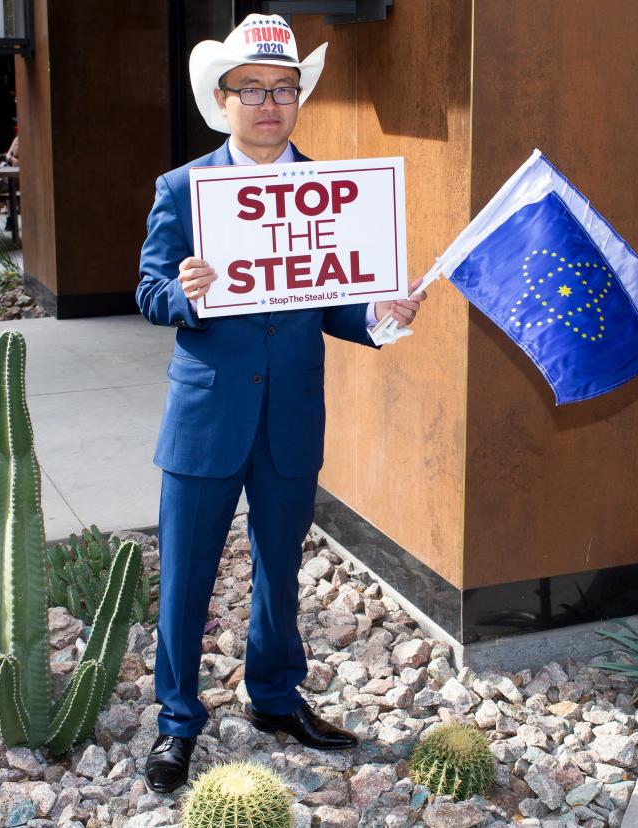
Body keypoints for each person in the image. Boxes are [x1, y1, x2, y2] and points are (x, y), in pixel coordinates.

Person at [135, 13, 425, 794]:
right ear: (223, 100)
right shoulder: (183, 189)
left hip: (291, 416)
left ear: (299, 99)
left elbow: (335, 304)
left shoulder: (328, 193)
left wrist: (379, 318)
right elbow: (150, 291)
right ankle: (176, 722)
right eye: (253, 89)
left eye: (284, 89)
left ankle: (272, 697)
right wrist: (185, 294)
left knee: (280, 570)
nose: (270, 103)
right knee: (187, 576)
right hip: (205, 418)